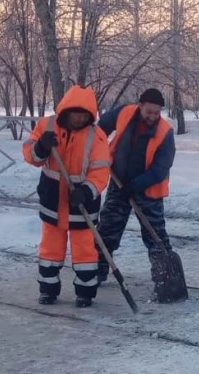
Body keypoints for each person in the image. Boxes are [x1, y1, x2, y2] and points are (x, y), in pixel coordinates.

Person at [23, 85, 111, 307]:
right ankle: (48, 290)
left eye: (84, 115)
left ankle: (85, 292)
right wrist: (41, 147)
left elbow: (101, 172)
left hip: (82, 204)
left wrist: (87, 191)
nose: (79, 119)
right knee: (50, 250)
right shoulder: (47, 126)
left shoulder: (96, 136)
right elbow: (30, 154)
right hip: (53, 200)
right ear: (66, 110)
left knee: (84, 252)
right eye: (75, 113)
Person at [95, 88, 182, 301]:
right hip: (118, 182)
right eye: (149, 111)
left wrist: (135, 186)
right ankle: (95, 272)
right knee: (107, 229)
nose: (152, 116)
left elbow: (161, 168)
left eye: (156, 112)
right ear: (140, 105)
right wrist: (97, 149)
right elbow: (100, 129)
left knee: (155, 236)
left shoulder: (165, 133)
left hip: (148, 191)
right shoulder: (124, 113)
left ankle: (166, 280)